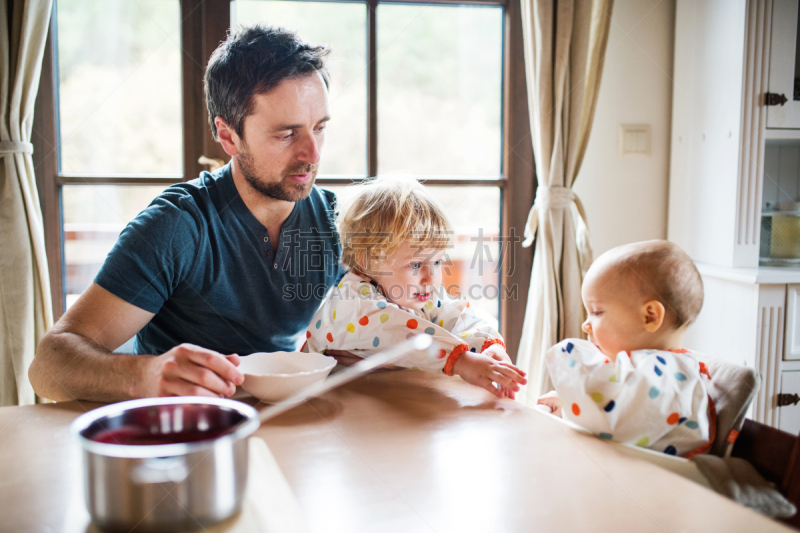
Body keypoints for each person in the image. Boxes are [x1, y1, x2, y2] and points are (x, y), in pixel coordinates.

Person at [29, 26, 344, 402]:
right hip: (183, 435)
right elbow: (47, 367)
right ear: (228, 137)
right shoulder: (177, 226)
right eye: (286, 135)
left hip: (289, 429)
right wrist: (145, 375)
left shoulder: (336, 220)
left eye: (320, 128)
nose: (314, 154)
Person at [303, 176, 527, 399]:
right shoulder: (352, 300)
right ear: (367, 260)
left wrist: (487, 344)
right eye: (416, 265)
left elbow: (458, 313)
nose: (431, 277)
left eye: (437, 262)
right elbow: (397, 331)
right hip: (322, 409)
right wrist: (461, 361)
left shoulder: (414, 292)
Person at [537, 240, 716, 458]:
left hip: (667, 483)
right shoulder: (649, 366)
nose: (586, 324)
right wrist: (569, 409)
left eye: (597, 312)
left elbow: (612, 423)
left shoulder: (670, 375)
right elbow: (619, 412)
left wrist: (569, 358)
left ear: (649, 316)